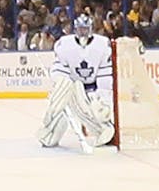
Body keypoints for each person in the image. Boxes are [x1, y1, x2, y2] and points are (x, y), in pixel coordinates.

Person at [36, 14, 115, 151]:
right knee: (58, 109)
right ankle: (49, 134)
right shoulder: (65, 44)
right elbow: (59, 71)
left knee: (98, 112)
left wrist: (102, 98)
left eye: (85, 29)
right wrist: (62, 87)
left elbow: (105, 75)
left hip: (92, 90)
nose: (82, 32)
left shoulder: (102, 44)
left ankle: (103, 131)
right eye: (80, 29)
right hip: (71, 87)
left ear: (90, 29)